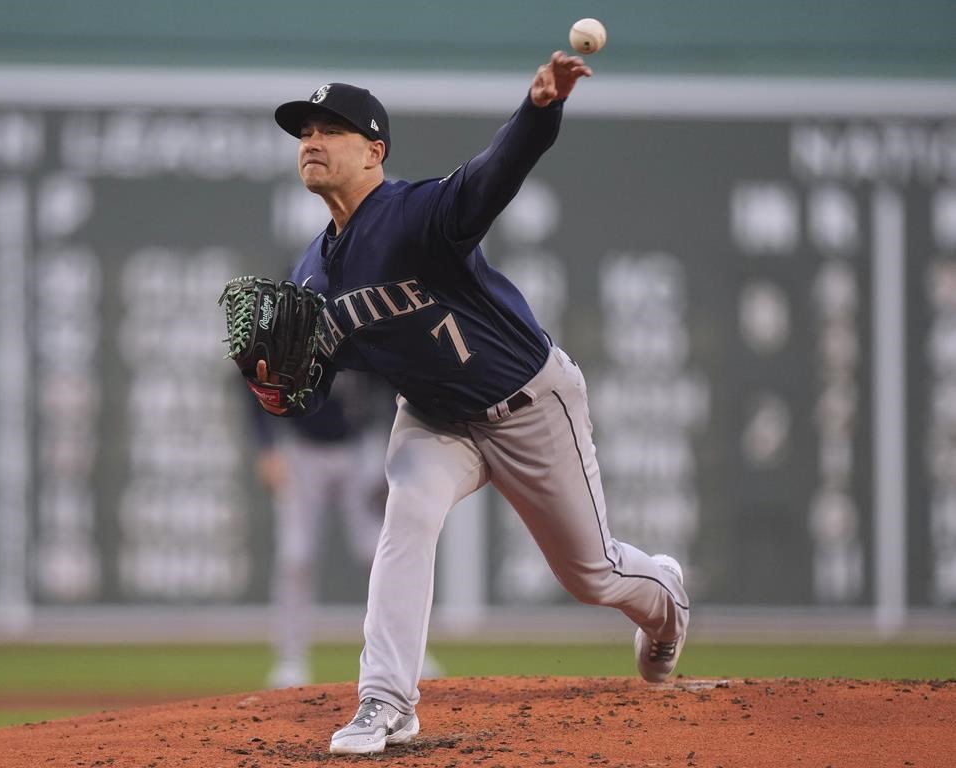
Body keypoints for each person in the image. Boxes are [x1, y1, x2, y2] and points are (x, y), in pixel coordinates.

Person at [251, 51, 691, 755]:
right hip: (433, 420)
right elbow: (318, 385)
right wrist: (281, 391)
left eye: (329, 129)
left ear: (373, 151)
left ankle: (664, 598)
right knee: (407, 517)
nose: (310, 140)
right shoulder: (310, 273)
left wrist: (540, 108)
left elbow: (492, 176)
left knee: (590, 575)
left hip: (528, 402)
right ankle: (386, 702)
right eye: (303, 130)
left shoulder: (416, 213)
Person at [249, 372, 391, 688]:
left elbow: (396, 383)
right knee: (296, 557)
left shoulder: (362, 326)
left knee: (378, 552)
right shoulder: (296, 326)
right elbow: (255, 382)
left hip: (360, 445)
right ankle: (290, 660)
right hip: (301, 448)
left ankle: (407, 656)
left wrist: (393, 448)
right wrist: (267, 447)